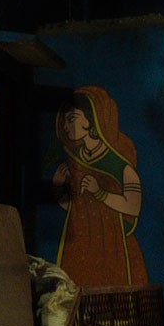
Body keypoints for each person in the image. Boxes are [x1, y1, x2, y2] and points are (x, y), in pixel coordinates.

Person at [52, 86, 148, 287]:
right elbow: (77, 209)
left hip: (113, 247)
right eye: (65, 120)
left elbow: (133, 207)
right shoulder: (74, 161)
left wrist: (100, 192)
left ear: (92, 118)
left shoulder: (120, 161)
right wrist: (59, 186)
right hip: (81, 247)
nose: (67, 126)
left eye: (72, 118)